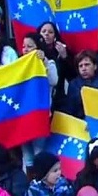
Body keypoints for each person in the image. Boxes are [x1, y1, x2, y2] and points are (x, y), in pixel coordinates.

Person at [20, 33, 59, 170]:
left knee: (39, 152)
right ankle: (32, 183)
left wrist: (44, 62)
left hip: (39, 117)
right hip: (22, 117)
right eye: (24, 46)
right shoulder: (18, 66)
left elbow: (54, 80)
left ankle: (42, 180)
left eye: (30, 46)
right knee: (27, 156)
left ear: (39, 48)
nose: (25, 50)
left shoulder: (49, 62)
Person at [65, 51, 98, 119]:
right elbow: (71, 109)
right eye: (80, 66)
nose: (84, 69)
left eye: (87, 64)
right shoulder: (73, 84)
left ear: (95, 66)